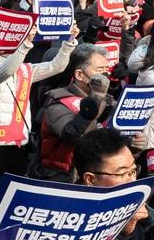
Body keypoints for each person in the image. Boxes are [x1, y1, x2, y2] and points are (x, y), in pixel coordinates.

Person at [31, 43, 110, 182]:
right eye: (100, 70)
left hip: (91, 177)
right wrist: (96, 98)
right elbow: (72, 133)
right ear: (80, 74)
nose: (105, 76)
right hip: (58, 179)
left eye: (106, 70)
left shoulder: (106, 101)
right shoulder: (57, 102)